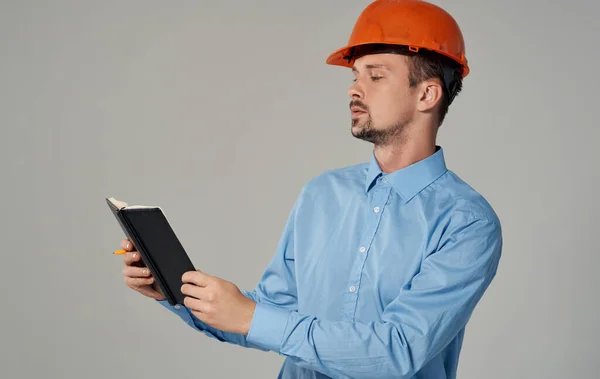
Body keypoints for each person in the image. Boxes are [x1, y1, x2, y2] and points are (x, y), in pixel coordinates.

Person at [119, 1, 502, 378]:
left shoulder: (466, 222)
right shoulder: (322, 194)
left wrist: (252, 316)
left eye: (375, 75)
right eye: (354, 76)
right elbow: (268, 313)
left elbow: (396, 350)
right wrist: (175, 292)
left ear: (426, 95)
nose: (354, 89)